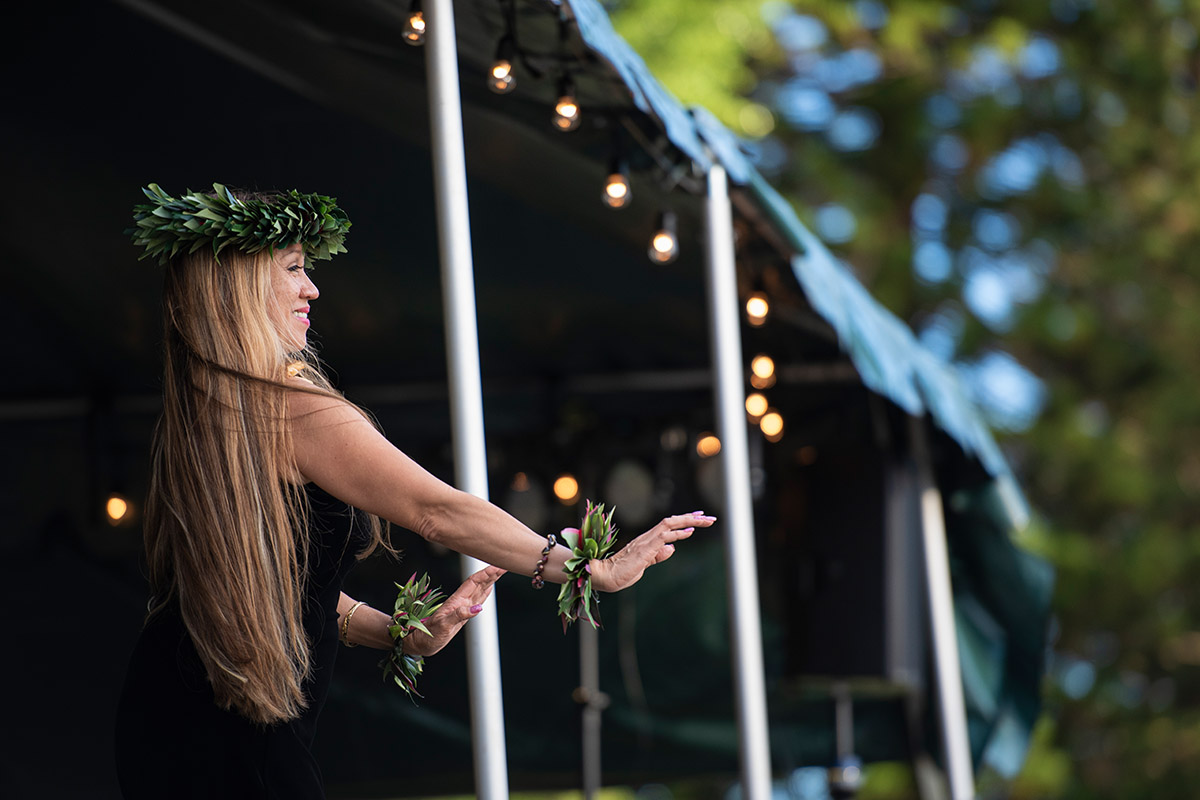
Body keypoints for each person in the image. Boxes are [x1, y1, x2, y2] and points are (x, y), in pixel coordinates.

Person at [114, 184, 714, 799]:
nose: (312, 289)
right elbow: (436, 511)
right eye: (294, 268)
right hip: (226, 732)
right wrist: (592, 569)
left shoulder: (204, 415)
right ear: (239, 286)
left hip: (177, 716)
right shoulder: (292, 410)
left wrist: (393, 632)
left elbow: (286, 580)